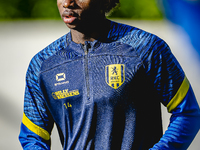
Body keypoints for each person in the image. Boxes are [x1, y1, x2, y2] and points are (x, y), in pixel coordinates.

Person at [19, 0, 200, 149]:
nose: (67, 3)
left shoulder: (145, 47)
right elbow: (32, 137)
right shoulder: (42, 64)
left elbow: (187, 113)